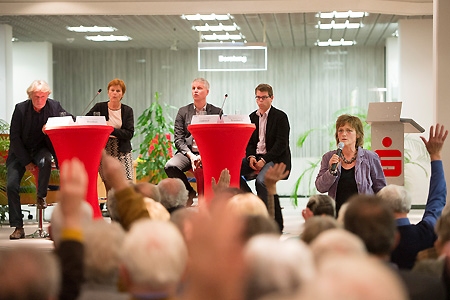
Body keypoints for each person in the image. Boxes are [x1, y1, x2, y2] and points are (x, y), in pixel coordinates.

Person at [6, 79, 71, 239]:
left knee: (46, 161)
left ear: (47, 95)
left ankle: (41, 196)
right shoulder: (20, 109)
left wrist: (52, 126)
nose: (39, 100)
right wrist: (26, 162)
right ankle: (18, 227)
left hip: (41, 150)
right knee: (11, 185)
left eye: (43, 96)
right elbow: (14, 138)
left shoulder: (54, 106)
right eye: (36, 96)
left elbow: (68, 119)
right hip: (20, 152)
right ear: (30, 96)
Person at [377, 123, 448, 269]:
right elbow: (437, 200)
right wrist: (435, 155)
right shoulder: (426, 233)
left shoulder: (376, 242)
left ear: (383, 210)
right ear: (407, 207)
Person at [240, 83, 291, 231]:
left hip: (275, 159)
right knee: (231, 171)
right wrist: (250, 157)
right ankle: (253, 204)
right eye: (258, 97)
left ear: (271, 98)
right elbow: (249, 143)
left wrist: (264, 160)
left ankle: (270, 220)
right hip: (256, 158)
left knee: (262, 182)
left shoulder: (280, 117)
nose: (260, 101)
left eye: (264, 97)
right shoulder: (251, 117)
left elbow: (281, 144)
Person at [164, 78, 221, 206]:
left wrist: (204, 155)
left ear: (207, 92)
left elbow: (219, 139)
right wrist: (191, 155)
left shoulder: (217, 112)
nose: (195, 91)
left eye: (199, 88)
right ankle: (189, 191)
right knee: (170, 166)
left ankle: (212, 201)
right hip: (188, 153)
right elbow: (178, 139)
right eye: (193, 88)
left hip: (209, 155)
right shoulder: (183, 111)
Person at [315, 114, 386, 215]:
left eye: (349, 130)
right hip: (337, 215)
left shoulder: (370, 157)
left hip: (364, 215)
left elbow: (381, 189)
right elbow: (320, 188)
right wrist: (331, 171)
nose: (344, 134)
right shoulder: (328, 157)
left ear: (358, 134)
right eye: (341, 130)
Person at [86, 78, 134, 194]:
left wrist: (110, 129)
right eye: (112, 90)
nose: (115, 93)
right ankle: (112, 209)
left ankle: (125, 210)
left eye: (118, 91)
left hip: (122, 150)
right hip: (105, 149)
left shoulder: (127, 110)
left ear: (122, 94)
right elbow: (86, 120)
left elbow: (129, 133)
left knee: (127, 183)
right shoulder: (99, 107)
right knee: (109, 184)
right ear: (108, 92)